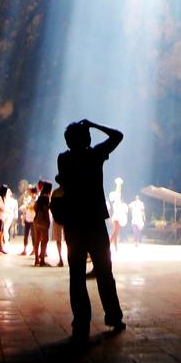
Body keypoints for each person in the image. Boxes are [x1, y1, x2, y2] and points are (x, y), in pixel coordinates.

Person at [57, 119, 125, 341]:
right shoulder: (94, 155)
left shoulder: (63, 159)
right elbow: (118, 135)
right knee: (104, 272)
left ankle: (81, 322)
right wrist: (94, 124)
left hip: (74, 223)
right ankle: (113, 315)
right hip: (95, 222)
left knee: (76, 275)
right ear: (85, 139)